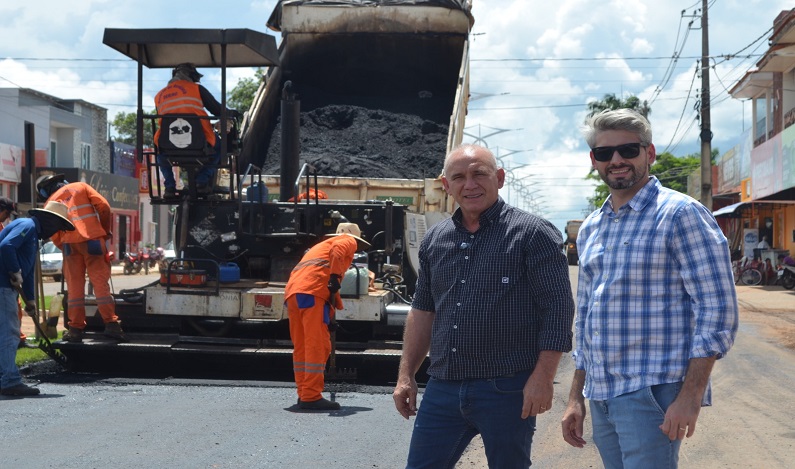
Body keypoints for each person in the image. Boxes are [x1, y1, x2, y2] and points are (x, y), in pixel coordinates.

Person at [561, 109, 739, 468]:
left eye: (628, 150)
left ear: (649, 153)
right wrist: (575, 396)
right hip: (602, 393)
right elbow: (587, 322)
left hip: (652, 392)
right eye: (604, 153)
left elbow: (717, 311)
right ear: (593, 160)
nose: (616, 160)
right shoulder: (593, 227)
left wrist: (690, 396)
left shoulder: (680, 214)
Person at [392, 144, 575, 468]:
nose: (470, 184)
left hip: (506, 389)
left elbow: (558, 308)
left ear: (500, 178)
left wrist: (543, 378)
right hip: (443, 387)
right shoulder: (435, 240)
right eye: (459, 177)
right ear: (446, 186)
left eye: (479, 174)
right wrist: (406, 375)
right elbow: (423, 311)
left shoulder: (532, 234)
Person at [284, 222, 371, 410]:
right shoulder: (346, 240)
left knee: (302, 347)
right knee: (318, 345)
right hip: (312, 293)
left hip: (295, 294)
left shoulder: (319, 248)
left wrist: (330, 316)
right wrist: (334, 276)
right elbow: (334, 266)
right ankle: (311, 396)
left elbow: (329, 290)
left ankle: (304, 393)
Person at [36, 174, 126, 343]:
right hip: (93, 240)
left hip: (70, 245)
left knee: (74, 289)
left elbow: (54, 234)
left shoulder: (49, 203)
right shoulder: (80, 186)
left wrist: (65, 246)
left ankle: (75, 329)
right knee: (100, 284)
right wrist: (104, 231)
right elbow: (104, 206)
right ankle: (111, 325)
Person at [0, 201, 75, 396]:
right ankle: (9, 381)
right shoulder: (28, 225)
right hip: (3, 287)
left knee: (5, 333)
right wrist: (14, 270)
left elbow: (29, 270)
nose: (55, 232)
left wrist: (31, 301)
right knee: (9, 334)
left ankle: (5, 375)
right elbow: (6, 246)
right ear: (48, 220)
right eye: (57, 226)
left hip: (6, 287)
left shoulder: (32, 234)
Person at [154, 63, 240, 198]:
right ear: (191, 76)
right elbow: (218, 110)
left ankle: (169, 187)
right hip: (199, 142)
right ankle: (202, 180)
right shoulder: (196, 89)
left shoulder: (159, 95)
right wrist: (232, 113)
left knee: (159, 152)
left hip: (168, 145)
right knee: (220, 147)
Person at [0, 197, 31, 349]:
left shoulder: (2, 227)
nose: (8, 217)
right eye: (6, 213)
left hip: (5, 275)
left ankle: (18, 338)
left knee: (14, 306)